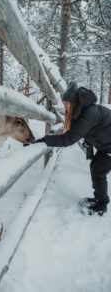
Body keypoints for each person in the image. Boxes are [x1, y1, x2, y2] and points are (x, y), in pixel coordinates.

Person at [29, 81, 111, 216]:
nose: (65, 106)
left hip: (108, 147)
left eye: (67, 103)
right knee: (96, 168)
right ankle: (99, 199)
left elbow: (67, 139)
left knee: (98, 172)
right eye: (64, 103)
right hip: (106, 146)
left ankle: (101, 206)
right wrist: (89, 149)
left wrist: (45, 139)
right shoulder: (85, 111)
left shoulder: (89, 112)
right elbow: (88, 132)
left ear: (75, 103)